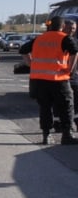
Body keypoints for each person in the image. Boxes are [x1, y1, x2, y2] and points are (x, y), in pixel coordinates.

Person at [28, 16, 78, 145]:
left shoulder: (39, 38)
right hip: (58, 79)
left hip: (39, 80)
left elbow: (23, 50)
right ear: (62, 27)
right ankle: (66, 135)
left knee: (45, 107)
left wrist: (31, 64)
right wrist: (70, 70)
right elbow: (75, 52)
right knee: (67, 106)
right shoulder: (64, 38)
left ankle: (46, 136)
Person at [65, 19, 78, 126]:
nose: (71, 30)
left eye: (73, 28)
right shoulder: (60, 40)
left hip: (74, 76)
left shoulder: (75, 41)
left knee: (75, 100)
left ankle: (74, 121)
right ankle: (60, 123)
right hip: (61, 76)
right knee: (63, 101)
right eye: (69, 28)